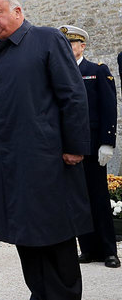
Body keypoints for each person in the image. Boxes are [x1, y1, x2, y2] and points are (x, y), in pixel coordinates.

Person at [0, 0, 91, 300]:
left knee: (55, 232)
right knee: (23, 234)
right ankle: (39, 293)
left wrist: (74, 146)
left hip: (47, 159)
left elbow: (73, 96)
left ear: (18, 11)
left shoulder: (47, 39)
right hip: (6, 162)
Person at [58, 25, 119, 269]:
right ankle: (88, 249)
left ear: (83, 46)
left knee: (98, 199)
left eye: (73, 43)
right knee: (77, 201)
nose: (69, 48)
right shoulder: (59, 73)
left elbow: (108, 107)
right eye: (66, 44)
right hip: (68, 148)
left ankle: (109, 251)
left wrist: (108, 142)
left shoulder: (96, 70)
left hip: (93, 147)